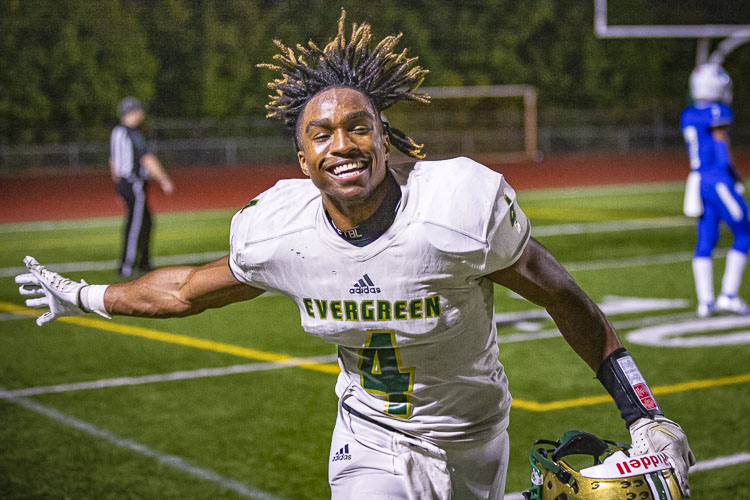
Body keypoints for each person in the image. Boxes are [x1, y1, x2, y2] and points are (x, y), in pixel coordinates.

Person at [17, 12, 694, 500]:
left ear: (386, 140)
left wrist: (643, 413)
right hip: (369, 436)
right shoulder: (279, 231)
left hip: (475, 431)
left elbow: (562, 296)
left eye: (358, 126)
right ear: (303, 157)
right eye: (322, 133)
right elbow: (184, 291)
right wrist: (80, 294)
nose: (341, 142)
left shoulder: (456, 210)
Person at [681, 63, 750, 318]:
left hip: (698, 182)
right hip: (717, 179)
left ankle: (705, 302)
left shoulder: (688, 114)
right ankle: (728, 296)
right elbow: (721, 151)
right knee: (745, 232)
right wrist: (734, 176)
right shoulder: (719, 112)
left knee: (706, 240)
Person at [110, 97, 174, 277]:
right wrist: (163, 178)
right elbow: (146, 158)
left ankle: (144, 262)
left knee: (146, 222)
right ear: (131, 112)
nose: (141, 114)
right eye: (138, 110)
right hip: (134, 183)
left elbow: (113, 161)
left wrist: (118, 187)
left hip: (125, 183)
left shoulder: (116, 132)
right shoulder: (132, 134)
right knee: (135, 225)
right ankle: (126, 265)